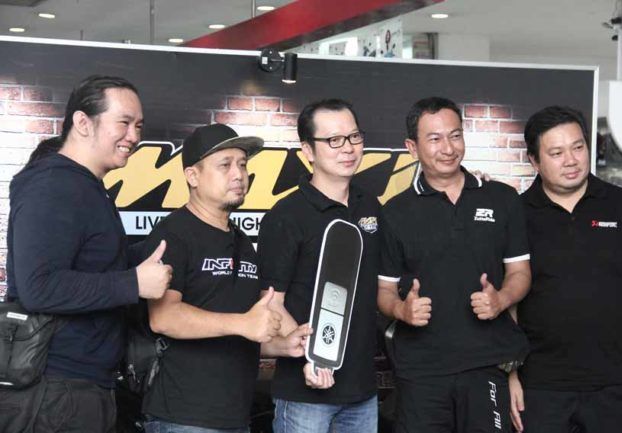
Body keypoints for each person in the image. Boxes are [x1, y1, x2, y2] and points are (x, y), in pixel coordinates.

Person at [0, 75, 171, 433]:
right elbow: (38, 287)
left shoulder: (86, 187)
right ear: (82, 122)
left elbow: (96, 265)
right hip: (54, 392)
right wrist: (133, 283)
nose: (134, 136)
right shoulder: (53, 185)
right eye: (123, 122)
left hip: (82, 388)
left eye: (139, 126)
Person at [140, 123, 309, 433]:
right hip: (184, 417)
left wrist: (282, 345)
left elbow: (240, 331)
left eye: (242, 164)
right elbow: (163, 318)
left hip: (234, 416)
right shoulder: (173, 234)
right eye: (225, 165)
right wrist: (244, 323)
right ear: (192, 176)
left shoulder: (242, 241)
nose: (239, 174)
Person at [377, 96, 531, 433]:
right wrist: (402, 310)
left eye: (455, 135)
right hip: (421, 371)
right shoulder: (395, 212)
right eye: (434, 139)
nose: (448, 148)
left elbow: (520, 273)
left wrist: (501, 299)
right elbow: (384, 291)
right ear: (412, 148)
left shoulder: (502, 199)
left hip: (487, 364)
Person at [508, 105, 622, 433]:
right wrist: (509, 373)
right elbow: (508, 299)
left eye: (578, 147)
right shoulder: (516, 214)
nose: (571, 160)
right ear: (534, 161)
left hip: (616, 384)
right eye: (556, 153)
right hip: (539, 387)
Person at [257, 99, 380, 433]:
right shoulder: (286, 216)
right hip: (305, 393)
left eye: (354, 137)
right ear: (308, 150)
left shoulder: (369, 205)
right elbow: (272, 303)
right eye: (334, 140)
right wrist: (313, 356)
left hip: (362, 392)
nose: (348, 148)